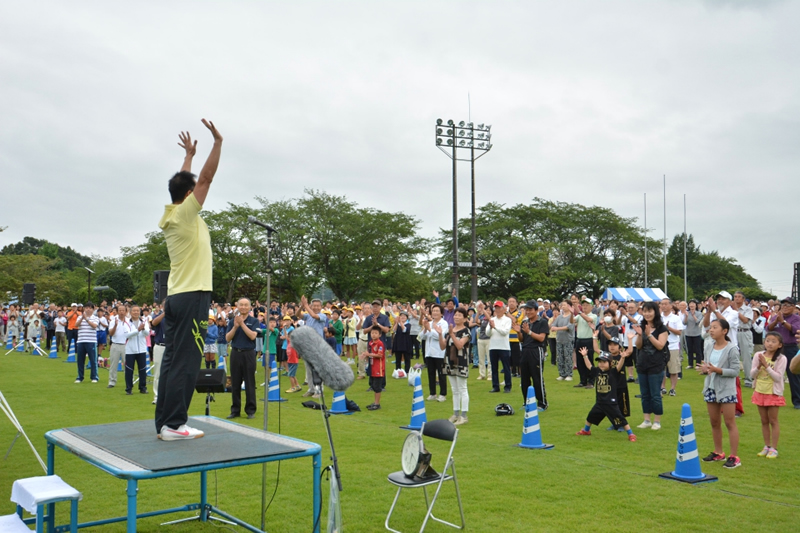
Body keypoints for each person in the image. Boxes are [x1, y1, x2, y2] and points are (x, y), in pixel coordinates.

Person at [156, 119, 222, 441]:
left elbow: (185, 183)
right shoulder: (184, 214)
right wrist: (217, 144)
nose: (197, 190)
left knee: (172, 359)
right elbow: (206, 180)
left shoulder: (172, 213)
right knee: (187, 360)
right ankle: (174, 425)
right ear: (187, 194)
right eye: (191, 188)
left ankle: (164, 422)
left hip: (177, 296)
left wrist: (188, 157)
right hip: (193, 294)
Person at [698, 319, 741, 469]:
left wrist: (718, 370)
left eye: (715, 327)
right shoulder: (709, 346)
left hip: (726, 390)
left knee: (730, 422)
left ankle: (734, 456)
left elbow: (736, 371)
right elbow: (709, 366)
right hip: (710, 388)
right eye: (711, 327)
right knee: (714, 422)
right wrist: (705, 369)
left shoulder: (732, 349)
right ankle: (718, 452)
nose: (711, 330)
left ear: (725, 331)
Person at [575, 352, 637, 442]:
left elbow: (619, 366)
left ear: (610, 363)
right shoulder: (597, 371)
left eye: (604, 362)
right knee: (590, 417)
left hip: (611, 403)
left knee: (620, 418)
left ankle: (631, 434)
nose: (601, 364)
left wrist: (622, 358)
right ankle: (586, 430)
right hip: (600, 402)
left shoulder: (613, 372)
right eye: (600, 362)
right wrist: (585, 356)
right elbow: (589, 366)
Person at [632, 301, 668, 430]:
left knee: (655, 394)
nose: (647, 314)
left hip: (656, 365)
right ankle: (646, 419)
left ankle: (657, 421)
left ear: (655, 312)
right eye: (645, 311)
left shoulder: (662, 329)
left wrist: (649, 335)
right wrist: (640, 335)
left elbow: (660, 345)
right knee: (644, 394)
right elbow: (639, 346)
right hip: (642, 363)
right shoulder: (642, 326)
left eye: (649, 311)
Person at [750, 332, 786, 459]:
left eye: (773, 341)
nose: (770, 343)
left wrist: (766, 366)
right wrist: (759, 366)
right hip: (760, 391)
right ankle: (766, 446)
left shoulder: (781, 358)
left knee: (773, 420)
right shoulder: (758, 355)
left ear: (779, 345)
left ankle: (774, 448)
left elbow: (777, 377)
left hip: (773, 393)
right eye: (768, 340)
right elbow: (752, 375)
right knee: (764, 420)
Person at [225, 298, 260, 420]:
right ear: (237, 306)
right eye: (241, 305)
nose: (244, 307)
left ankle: (250, 410)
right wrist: (235, 327)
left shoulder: (254, 321)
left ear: (250, 307)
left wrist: (242, 324)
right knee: (235, 383)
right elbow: (227, 338)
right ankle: (235, 410)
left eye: (246, 305)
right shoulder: (232, 321)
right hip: (235, 353)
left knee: (250, 382)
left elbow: (252, 336)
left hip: (249, 353)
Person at [766, 297, 800, 409]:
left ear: (794, 307)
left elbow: (795, 329)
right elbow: (768, 328)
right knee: (772, 372)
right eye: (783, 305)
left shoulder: (796, 318)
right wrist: (776, 320)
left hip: (790, 348)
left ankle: (797, 401)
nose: (785, 307)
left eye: (788, 305)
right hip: (776, 349)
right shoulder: (776, 317)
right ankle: (771, 398)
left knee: (793, 375)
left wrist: (783, 322)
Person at [441, 308, 471, 425]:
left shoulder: (466, 331)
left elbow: (459, 345)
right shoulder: (449, 330)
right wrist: (440, 334)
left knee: (462, 388)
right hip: (449, 361)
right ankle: (456, 413)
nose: (456, 317)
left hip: (461, 362)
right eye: (455, 315)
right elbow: (443, 346)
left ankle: (464, 415)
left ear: (464, 318)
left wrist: (452, 334)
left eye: (459, 315)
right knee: (454, 389)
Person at [519, 300, 550, 409]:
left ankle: (542, 403)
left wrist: (529, 332)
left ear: (536, 310)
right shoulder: (525, 322)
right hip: (525, 350)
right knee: (524, 379)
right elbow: (522, 339)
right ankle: (527, 402)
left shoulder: (542, 322)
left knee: (537, 378)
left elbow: (542, 338)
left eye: (530, 310)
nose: (528, 312)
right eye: (526, 310)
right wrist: (519, 332)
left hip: (536, 350)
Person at [300, 296, 330, 397]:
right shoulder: (307, 316)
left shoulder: (322, 316)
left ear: (321, 307)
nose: (316, 307)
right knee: (308, 368)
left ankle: (319, 390)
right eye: (314, 306)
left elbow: (314, 316)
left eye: (318, 306)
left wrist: (306, 306)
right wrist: (301, 306)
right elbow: (297, 315)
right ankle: (311, 389)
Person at [421, 304, 449, 401]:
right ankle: (432, 393)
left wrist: (429, 329)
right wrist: (425, 328)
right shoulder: (429, 322)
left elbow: (439, 336)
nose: (435, 313)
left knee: (441, 374)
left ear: (441, 313)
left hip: (439, 352)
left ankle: (443, 394)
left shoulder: (444, 323)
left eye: (437, 311)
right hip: (429, 352)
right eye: (433, 311)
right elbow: (421, 337)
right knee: (431, 373)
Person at [486, 300, 512, 393]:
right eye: (496, 308)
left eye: (499, 308)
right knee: (494, 368)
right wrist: (491, 327)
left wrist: (495, 327)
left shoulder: (507, 320)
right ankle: (495, 386)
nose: (497, 310)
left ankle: (508, 386)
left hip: (504, 347)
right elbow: (488, 333)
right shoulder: (492, 319)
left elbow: (505, 332)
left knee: (506, 367)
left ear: (504, 309)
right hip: (493, 347)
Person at [660, 298, 685, 397]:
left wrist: (669, 328)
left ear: (671, 306)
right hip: (661, 345)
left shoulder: (675, 318)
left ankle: (672, 389)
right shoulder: (658, 318)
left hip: (673, 346)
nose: (664, 306)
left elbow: (679, 332)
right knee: (662, 368)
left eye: (666, 304)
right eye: (662, 304)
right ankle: (662, 387)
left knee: (673, 369)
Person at [124, 305, 150, 396]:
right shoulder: (126, 322)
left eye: (137, 311)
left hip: (142, 349)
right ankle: (129, 388)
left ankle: (143, 387)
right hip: (130, 350)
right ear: (130, 312)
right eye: (134, 311)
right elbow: (127, 335)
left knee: (142, 369)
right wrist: (137, 330)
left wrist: (142, 329)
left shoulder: (144, 321)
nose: (136, 312)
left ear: (140, 312)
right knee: (129, 370)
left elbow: (147, 333)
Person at [574, 297, 597, 389]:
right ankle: (583, 380)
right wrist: (572, 312)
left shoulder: (593, 315)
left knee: (589, 360)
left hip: (588, 340)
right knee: (580, 362)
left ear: (592, 307)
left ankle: (591, 381)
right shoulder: (579, 315)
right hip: (579, 339)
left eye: (587, 305)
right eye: (583, 305)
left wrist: (579, 311)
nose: (584, 307)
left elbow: (589, 320)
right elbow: (572, 321)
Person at [733, 291, 754, 387]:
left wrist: (736, 311)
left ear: (743, 299)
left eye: (739, 297)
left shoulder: (748, 309)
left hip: (744, 332)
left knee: (746, 357)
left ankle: (748, 379)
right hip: (734, 332)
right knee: (734, 356)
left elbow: (745, 320)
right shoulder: (730, 309)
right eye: (735, 297)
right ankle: (735, 377)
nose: (736, 298)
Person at [361, 327, 385, 410]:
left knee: (377, 386)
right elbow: (370, 353)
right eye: (372, 333)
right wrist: (365, 355)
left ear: (380, 335)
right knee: (373, 385)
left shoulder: (380, 344)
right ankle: (375, 402)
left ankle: (377, 404)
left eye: (375, 333)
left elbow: (380, 355)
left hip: (379, 368)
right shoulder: (371, 343)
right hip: (372, 367)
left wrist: (369, 354)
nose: (373, 335)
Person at [74, 302, 99, 383]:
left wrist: (87, 319)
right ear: (84, 309)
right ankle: (80, 377)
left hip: (91, 341)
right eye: (86, 308)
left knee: (93, 360)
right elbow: (76, 325)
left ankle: (94, 377)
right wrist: (82, 318)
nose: (88, 309)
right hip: (81, 341)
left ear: (93, 309)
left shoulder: (95, 318)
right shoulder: (79, 317)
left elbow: (94, 326)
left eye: (90, 308)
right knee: (80, 360)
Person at [551, 301, 575, 381]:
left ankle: (569, 374)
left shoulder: (571, 317)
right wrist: (554, 327)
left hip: (568, 340)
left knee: (568, 357)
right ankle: (562, 374)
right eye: (562, 305)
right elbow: (553, 325)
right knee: (560, 358)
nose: (563, 306)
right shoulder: (559, 317)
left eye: (565, 305)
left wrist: (557, 328)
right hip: (559, 340)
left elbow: (569, 327)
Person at [106, 305, 128, 388]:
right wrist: (115, 325)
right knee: (113, 364)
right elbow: (111, 333)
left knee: (127, 365)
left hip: (126, 345)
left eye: (123, 310)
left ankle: (129, 381)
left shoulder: (129, 321)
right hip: (115, 344)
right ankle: (112, 381)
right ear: (117, 311)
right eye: (120, 310)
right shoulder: (113, 320)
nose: (121, 312)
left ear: (126, 311)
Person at [150, 303, 165, 405]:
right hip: (159, 345)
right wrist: (165, 313)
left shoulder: (176, 317)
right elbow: (154, 323)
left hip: (172, 346)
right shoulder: (158, 316)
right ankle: (157, 396)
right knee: (158, 372)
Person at [282, 317, 301, 393]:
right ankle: (297, 386)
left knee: (290, 375)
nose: (289, 338)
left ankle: (293, 387)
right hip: (290, 361)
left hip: (294, 361)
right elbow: (286, 336)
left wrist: (295, 326)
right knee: (292, 374)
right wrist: (284, 328)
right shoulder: (289, 342)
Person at [684, 300, 704, 369]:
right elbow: (684, 323)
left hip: (696, 333)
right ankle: (690, 364)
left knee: (698, 349)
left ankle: (698, 364)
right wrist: (686, 316)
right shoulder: (687, 313)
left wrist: (693, 315)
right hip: (688, 333)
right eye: (690, 304)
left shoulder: (699, 313)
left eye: (693, 304)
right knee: (689, 350)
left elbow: (698, 322)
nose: (691, 305)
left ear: (696, 305)